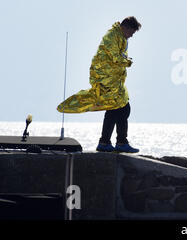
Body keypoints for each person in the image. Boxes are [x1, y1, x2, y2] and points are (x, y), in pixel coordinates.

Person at [57, 16, 141, 153]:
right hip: (105, 78)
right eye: (131, 32)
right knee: (120, 108)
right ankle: (114, 142)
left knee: (119, 108)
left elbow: (119, 57)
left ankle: (111, 142)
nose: (131, 36)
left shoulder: (120, 37)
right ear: (125, 27)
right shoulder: (112, 37)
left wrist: (125, 62)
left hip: (113, 78)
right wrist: (128, 62)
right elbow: (115, 57)